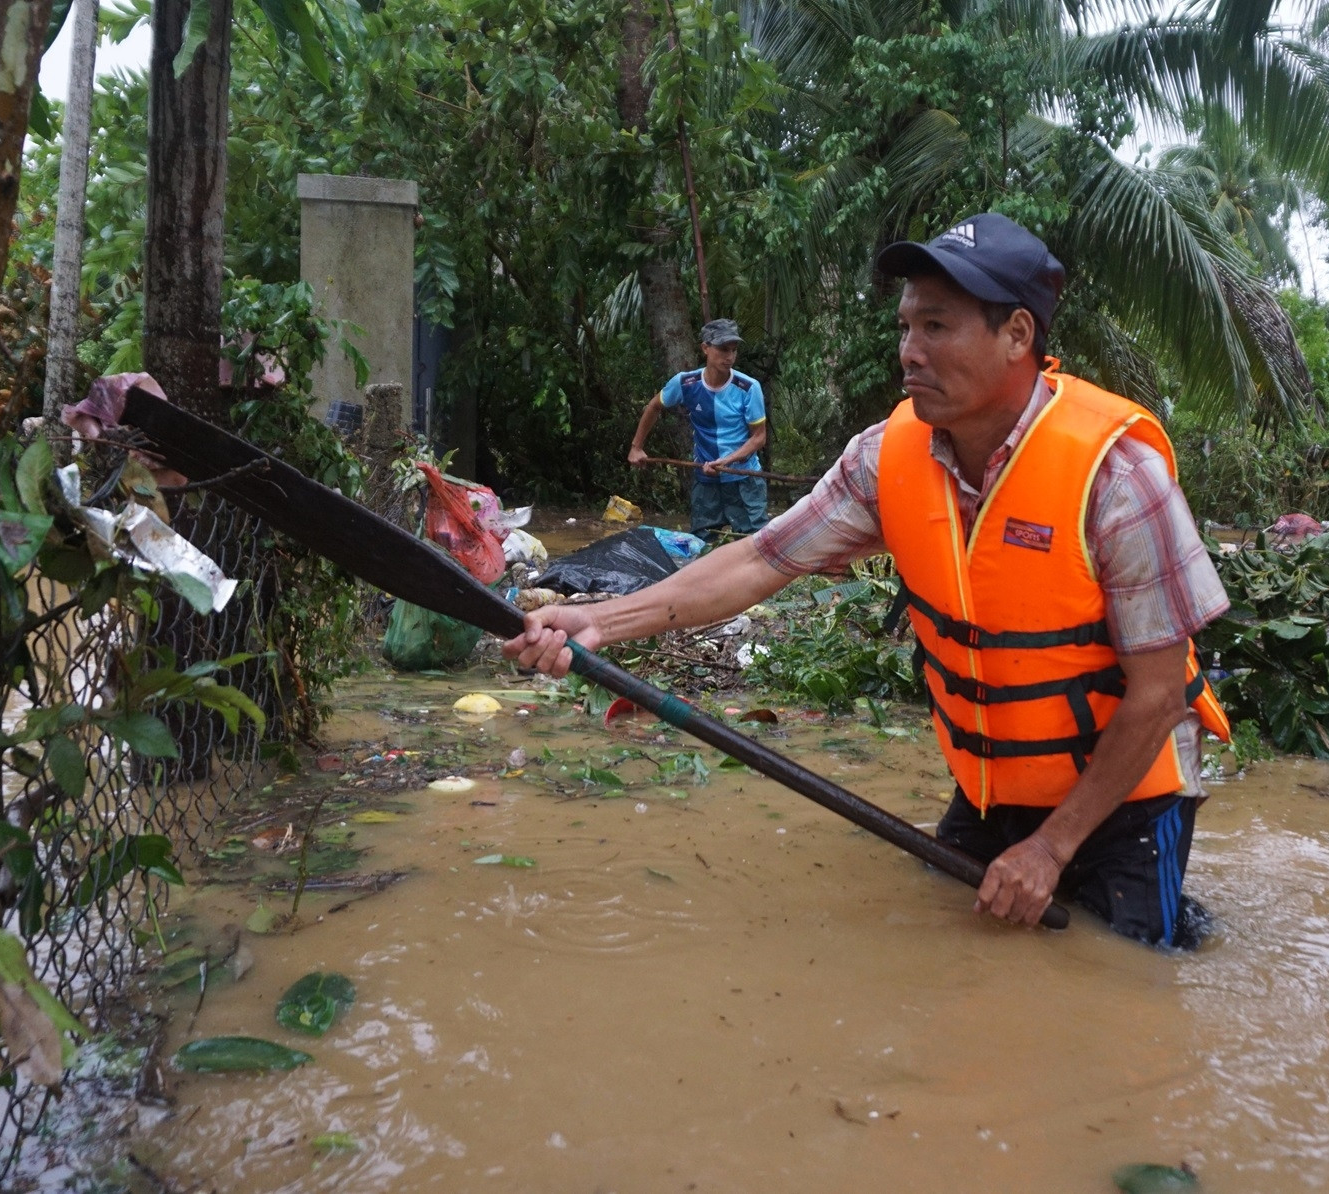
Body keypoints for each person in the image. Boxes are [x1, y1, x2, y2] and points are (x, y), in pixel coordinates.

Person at [515, 213, 1232, 948]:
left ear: (1018, 334)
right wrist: (601, 621)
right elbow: (760, 559)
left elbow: (1157, 694)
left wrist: (1051, 849)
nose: (908, 353)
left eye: (936, 327)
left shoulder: (1117, 478)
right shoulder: (886, 457)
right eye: (905, 328)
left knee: (1130, 984)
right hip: (996, 787)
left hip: (1129, 801)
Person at [629, 318, 771, 538]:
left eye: (733, 350)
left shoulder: (748, 388)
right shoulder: (686, 383)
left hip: (744, 480)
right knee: (702, 544)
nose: (729, 357)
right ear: (705, 348)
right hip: (706, 482)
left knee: (753, 544)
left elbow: (758, 438)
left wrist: (726, 461)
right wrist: (636, 447)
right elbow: (654, 406)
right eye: (723, 349)